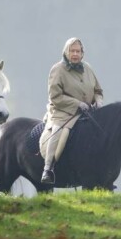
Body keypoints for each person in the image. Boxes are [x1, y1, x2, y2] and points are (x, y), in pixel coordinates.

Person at [40, 37, 103, 184]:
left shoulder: (87, 68)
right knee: (58, 132)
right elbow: (55, 97)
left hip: (89, 112)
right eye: (72, 51)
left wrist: (98, 102)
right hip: (63, 113)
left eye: (78, 51)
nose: (75, 54)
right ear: (66, 52)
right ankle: (48, 169)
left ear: (82, 53)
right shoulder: (57, 69)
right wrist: (77, 104)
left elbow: (98, 90)